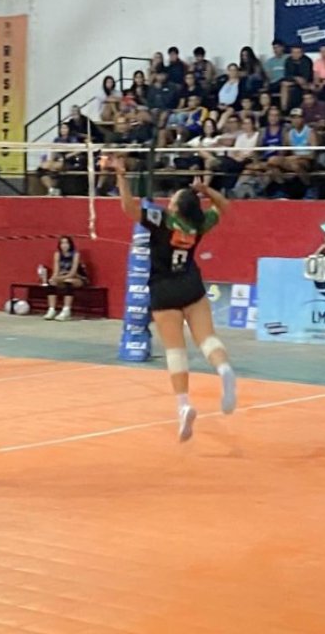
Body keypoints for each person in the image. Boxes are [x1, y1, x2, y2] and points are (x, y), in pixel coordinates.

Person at [114, 156, 236, 442]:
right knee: (207, 339)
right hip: (190, 284)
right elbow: (225, 207)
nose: (169, 199)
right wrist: (206, 191)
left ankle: (183, 405)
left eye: (174, 197)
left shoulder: (162, 220)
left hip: (163, 289)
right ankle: (224, 370)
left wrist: (121, 175)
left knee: (175, 351)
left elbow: (128, 208)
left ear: (177, 207)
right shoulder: (199, 223)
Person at [44, 235, 87, 321]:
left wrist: (60, 279)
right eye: (62, 243)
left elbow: (73, 273)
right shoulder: (57, 254)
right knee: (51, 283)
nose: (64, 245)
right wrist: (53, 279)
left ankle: (66, 310)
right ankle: (51, 309)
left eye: (66, 243)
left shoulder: (75, 254)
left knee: (68, 282)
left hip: (78, 277)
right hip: (62, 276)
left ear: (70, 244)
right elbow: (56, 272)